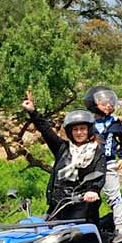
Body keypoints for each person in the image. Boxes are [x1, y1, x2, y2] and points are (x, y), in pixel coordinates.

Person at [22, 91, 110, 229]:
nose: (79, 132)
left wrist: (93, 191)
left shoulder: (97, 153)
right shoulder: (62, 148)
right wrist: (33, 112)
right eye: (75, 129)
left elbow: (99, 174)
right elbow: (46, 130)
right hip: (58, 206)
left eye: (82, 129)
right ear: (70, 132)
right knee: (40, 232)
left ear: (89, 130)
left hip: (83, 209)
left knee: (81, 238)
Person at [87, 86, 122, 239]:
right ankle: (91, 226)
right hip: (91, 165)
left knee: (114, 196)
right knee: (90, 197)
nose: (109, 105)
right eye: (104, 102)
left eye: (111, 102)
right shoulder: (88, 123)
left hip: (109, 164)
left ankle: (120, 227)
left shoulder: (115, 123)